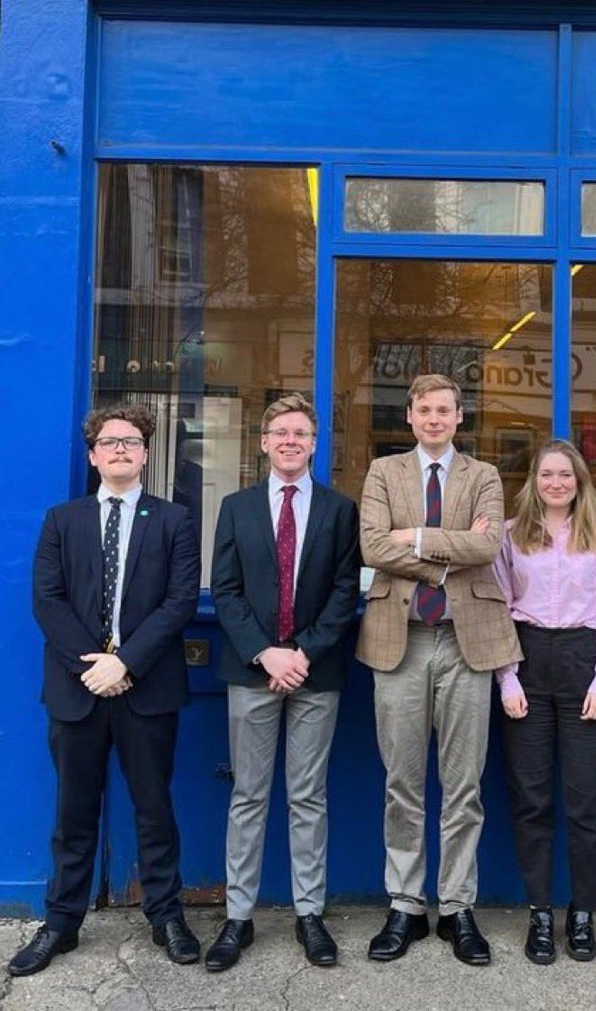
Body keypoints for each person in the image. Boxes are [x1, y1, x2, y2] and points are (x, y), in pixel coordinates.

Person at [8, 405, 201, 978]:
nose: (121, 449)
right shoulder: (61, 520)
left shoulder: (173, 521)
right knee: (73, 813)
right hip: (77, 688)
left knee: (154, 811)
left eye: (132, 441)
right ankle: (61, 923)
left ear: (146, 454)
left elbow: (180, 602)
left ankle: (166, 917)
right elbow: (48, 600)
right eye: (110, 442)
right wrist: (93, 665)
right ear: (93, 455)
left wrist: (126, 663)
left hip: (146, 688)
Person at [358, 374, 521, 967]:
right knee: (401, 782)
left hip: (465, 641)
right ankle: (405, 904)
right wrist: (442, 559)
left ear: (460, 417)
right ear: (409, 417)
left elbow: (489, 547)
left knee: (463, 785)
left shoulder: (484, 476)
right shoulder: (383, 473)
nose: (433, 419)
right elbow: (373, 547)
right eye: (423, 410)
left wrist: (418, 537)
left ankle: (456, 908)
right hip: (398, 642)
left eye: (444, 410)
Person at [208, 394, 360, 971]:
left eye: (301, 432)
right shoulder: (237, 507)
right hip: (251, 671)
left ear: (315, 444)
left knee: (307, 796)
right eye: (280, 432)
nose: (291, 440)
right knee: (248, 795)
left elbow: (347, 591)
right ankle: (238, 917)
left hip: (315, 672)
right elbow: (224, 589)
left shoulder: (338, 510)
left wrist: (301, 653)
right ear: (264, 441)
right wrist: (265, 654)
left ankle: (309, 915)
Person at [493, 439, 596, 966]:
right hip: (527, 659)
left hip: (582, 660)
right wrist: (507, 678)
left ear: (579, 481)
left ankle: (583, 913)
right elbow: (499, 608)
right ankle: (541, 913)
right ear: (534, 479)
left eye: (565, 475)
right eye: (547, 474)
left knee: (586, 801)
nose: (556, 483)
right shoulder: (511, 535)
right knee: (531, 799)